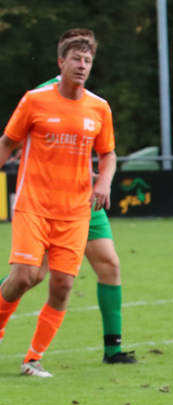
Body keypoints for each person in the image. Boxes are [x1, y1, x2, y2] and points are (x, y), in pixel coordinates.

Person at [0, 29, 119, 376]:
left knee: (63, 284)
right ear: (60, 62)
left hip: (76, 211)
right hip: (33, 205)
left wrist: (104, 180)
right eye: (76, 59)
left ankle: (33, 359)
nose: (82, 66)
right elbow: (7, 142)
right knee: (23, 277)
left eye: (88, 60)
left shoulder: (99, 107)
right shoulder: (35, 100)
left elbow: (108, 154)